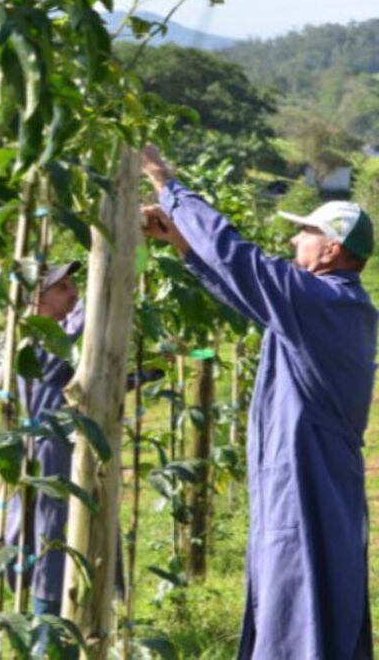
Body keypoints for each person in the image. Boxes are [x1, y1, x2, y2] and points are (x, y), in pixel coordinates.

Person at [140, 145, 375, 659]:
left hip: (308, 477)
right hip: (308, 472)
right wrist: (182, 243)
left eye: (305, 232)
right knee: (304, 595)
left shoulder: (321, 301)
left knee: (300, 597)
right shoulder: (329, 303)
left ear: (331, 250)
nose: (293, 239)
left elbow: (237, 258)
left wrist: (166, 183)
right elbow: (242, 289)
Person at [3, 261, 83, 622]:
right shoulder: (32, 342)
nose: (74, 293)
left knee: (59, 534)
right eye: (62, 287)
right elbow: (76, 334)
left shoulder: (57, 343)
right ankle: (47, 629)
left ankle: (58, 622)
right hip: (47, 452)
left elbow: (83, 388)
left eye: (74, 285)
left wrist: (149, 370)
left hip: (65, 448)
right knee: (49, 535)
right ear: (36, 298)